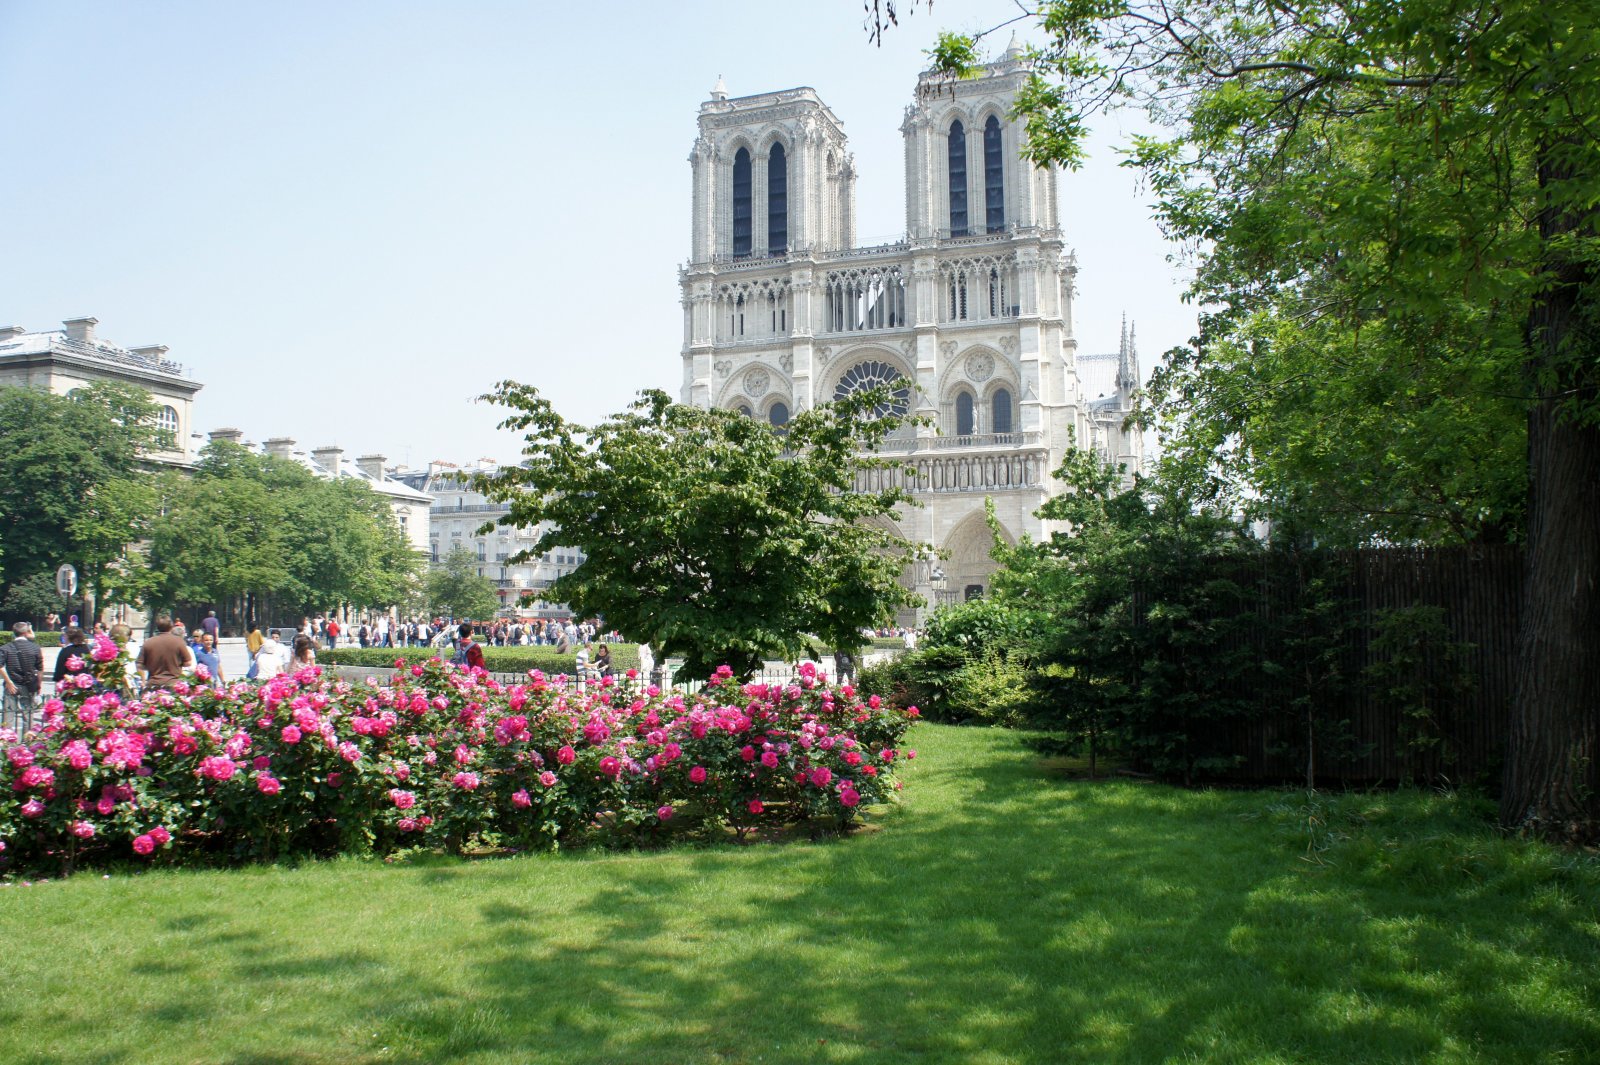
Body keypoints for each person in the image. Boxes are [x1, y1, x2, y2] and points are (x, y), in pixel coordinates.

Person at [1, 622, 44, 728]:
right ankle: (28, 741)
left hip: (12, 684)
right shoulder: (35, 648)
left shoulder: (6, 648)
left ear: (14, 632)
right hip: (28, 684)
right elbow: (40, 669)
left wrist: (8, 682)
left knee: (8, 714)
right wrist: (38, 684)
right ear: (26, 633)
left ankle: (6, 740)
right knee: (28, 714)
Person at [136, 615, 193, 693]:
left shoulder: (148, 642)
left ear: (157, 627)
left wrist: (144, 677)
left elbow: (139, 665)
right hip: (173, 685)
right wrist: (176, 663)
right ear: (171, 626)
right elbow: (188, 662)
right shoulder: (179, 642)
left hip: (153, 685)